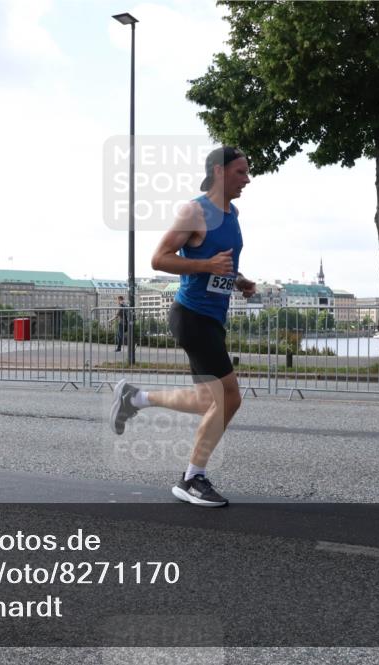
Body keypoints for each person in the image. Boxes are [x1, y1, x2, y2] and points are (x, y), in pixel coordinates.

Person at [110, 146, 255, 507]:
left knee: (207, 401)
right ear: (219, 171)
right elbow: (159, 258)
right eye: (240, 172)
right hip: (192, 316)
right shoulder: (194, 211)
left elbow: (221, 263)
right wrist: (207, 267)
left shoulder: (233, 214)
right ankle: (192, 478)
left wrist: (238, 281)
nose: (247, 179)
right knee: (230, 397)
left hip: (212, 317)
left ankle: (135, 398)